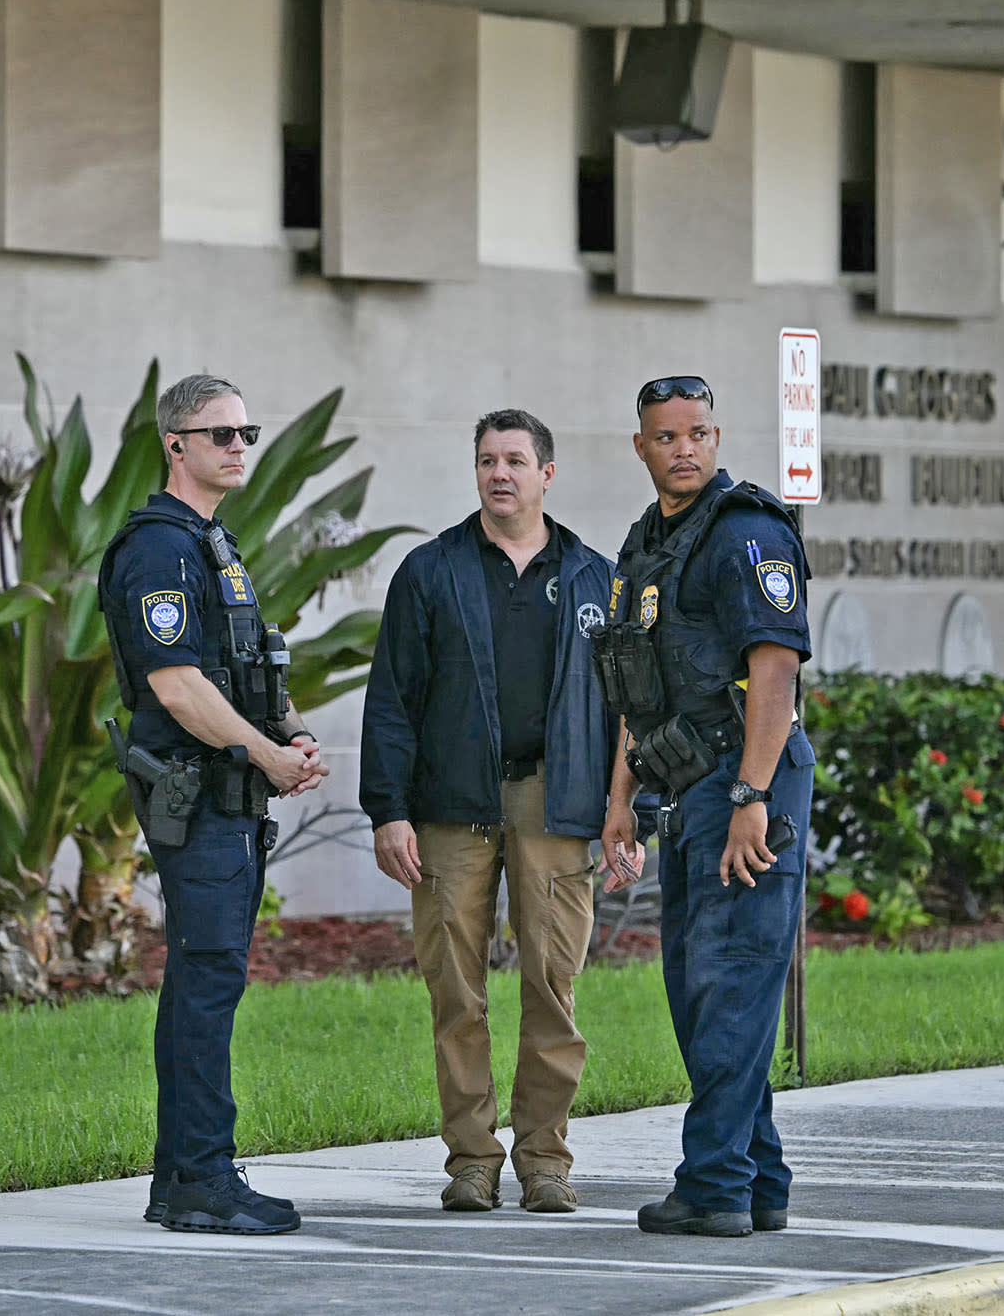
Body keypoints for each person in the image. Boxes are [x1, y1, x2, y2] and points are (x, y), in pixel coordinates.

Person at [360, 408, 618, 1214]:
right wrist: (387, 811)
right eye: (485, 460)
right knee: (457, 993)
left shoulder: (592, 576)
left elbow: (622, 708)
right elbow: (392, 699)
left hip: (558, 800)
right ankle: (472, 1160)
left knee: (552, 984)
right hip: (449, 806)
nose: (498, 472)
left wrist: (625, 810)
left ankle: (546, 1159)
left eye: (514, 459)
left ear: (547, 472)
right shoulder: (430, 570)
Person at [98, 372, 328, 1235]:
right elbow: (178, 685)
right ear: (176, 445)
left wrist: (291, 735)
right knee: (206, 981)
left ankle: (182, 1178)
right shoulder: (158, 549)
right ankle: (200, 1179)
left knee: (206, 979)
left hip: (229, 795)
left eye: (247, 433)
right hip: (197, 801)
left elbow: (247, 669)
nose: (238, 446)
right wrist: (266, 755)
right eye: (221, 433)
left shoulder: (210, 543)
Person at [596, 375, 816, 1238]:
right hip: (686, 787)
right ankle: (759, 1178)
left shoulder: (746, 533)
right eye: (666, 435)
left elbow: (776, 670)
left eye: (698, 433)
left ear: (717, 439)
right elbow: (632, 685)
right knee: (699, 986)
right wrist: (623, 802)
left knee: (733, 982)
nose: (683, 448)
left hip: (750, 784)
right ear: (641, 446)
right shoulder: (646, 545)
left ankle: (715, 1182)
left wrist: (753, 797)